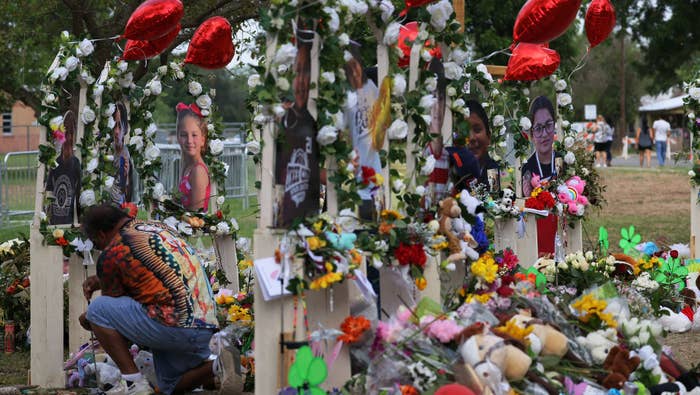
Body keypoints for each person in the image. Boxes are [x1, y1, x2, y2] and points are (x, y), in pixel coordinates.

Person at [78, 204, 242, 394]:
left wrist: (89, 318)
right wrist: (101, 281)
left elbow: (114, 320)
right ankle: (219, 364)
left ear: (100, 234)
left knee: (97, 309)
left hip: (172, 325)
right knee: (169, 385)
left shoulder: (113, 251)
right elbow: (154, 276)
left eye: (96, 243)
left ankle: (134, 384)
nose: (100, 248)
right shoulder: (160, 228)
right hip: (205, 326)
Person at [275, 20, 321, 227]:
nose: (302, 82)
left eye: (306, 74)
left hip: (310, 212)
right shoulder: (283, 120)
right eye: (298, 72)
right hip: (285, 212)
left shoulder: (315, 120)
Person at [345, 47, 382, 220]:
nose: (354, 71)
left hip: (375, 170)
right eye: (348, 68)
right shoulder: (345, 97)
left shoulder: (371, 88)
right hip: (355, 173)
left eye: (355, 65)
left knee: (377, 219)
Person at [521, 96, 561, 197]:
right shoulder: (526, 168)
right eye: (538, 128)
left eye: (548, 125)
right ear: (531, 133)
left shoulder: (564, 160)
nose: (544, 134)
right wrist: (527, 197)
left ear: (554, 125)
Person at [46, 111, 81, 225]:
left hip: (70, 217)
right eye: (66, 134)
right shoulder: (55, 163)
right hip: (56, 218)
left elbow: (79, 190)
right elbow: (49, 189)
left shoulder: (76, 163)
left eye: (71, 134)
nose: (69, 138)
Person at [177, 102, 211, 212]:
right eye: (184, 135)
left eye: (194, 135)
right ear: (178, 137)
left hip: (192, 227)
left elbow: (196, 217)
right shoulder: (188, 166)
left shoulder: (198, 171)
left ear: (202, 139)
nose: (189, 141)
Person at [466, 100, 500, 193]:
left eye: (477, 130)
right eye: (465, 131)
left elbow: (494, 196)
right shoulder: (455, 170)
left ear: (488, 136)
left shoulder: (492, 169)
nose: (471, 138)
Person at [112, 102, 135, 204]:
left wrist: (125, 175)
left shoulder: (125, 155)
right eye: (114, 126)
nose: (116, 132)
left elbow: (124, 192)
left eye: (120, 127)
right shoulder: (104, 149)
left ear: (125, 129)